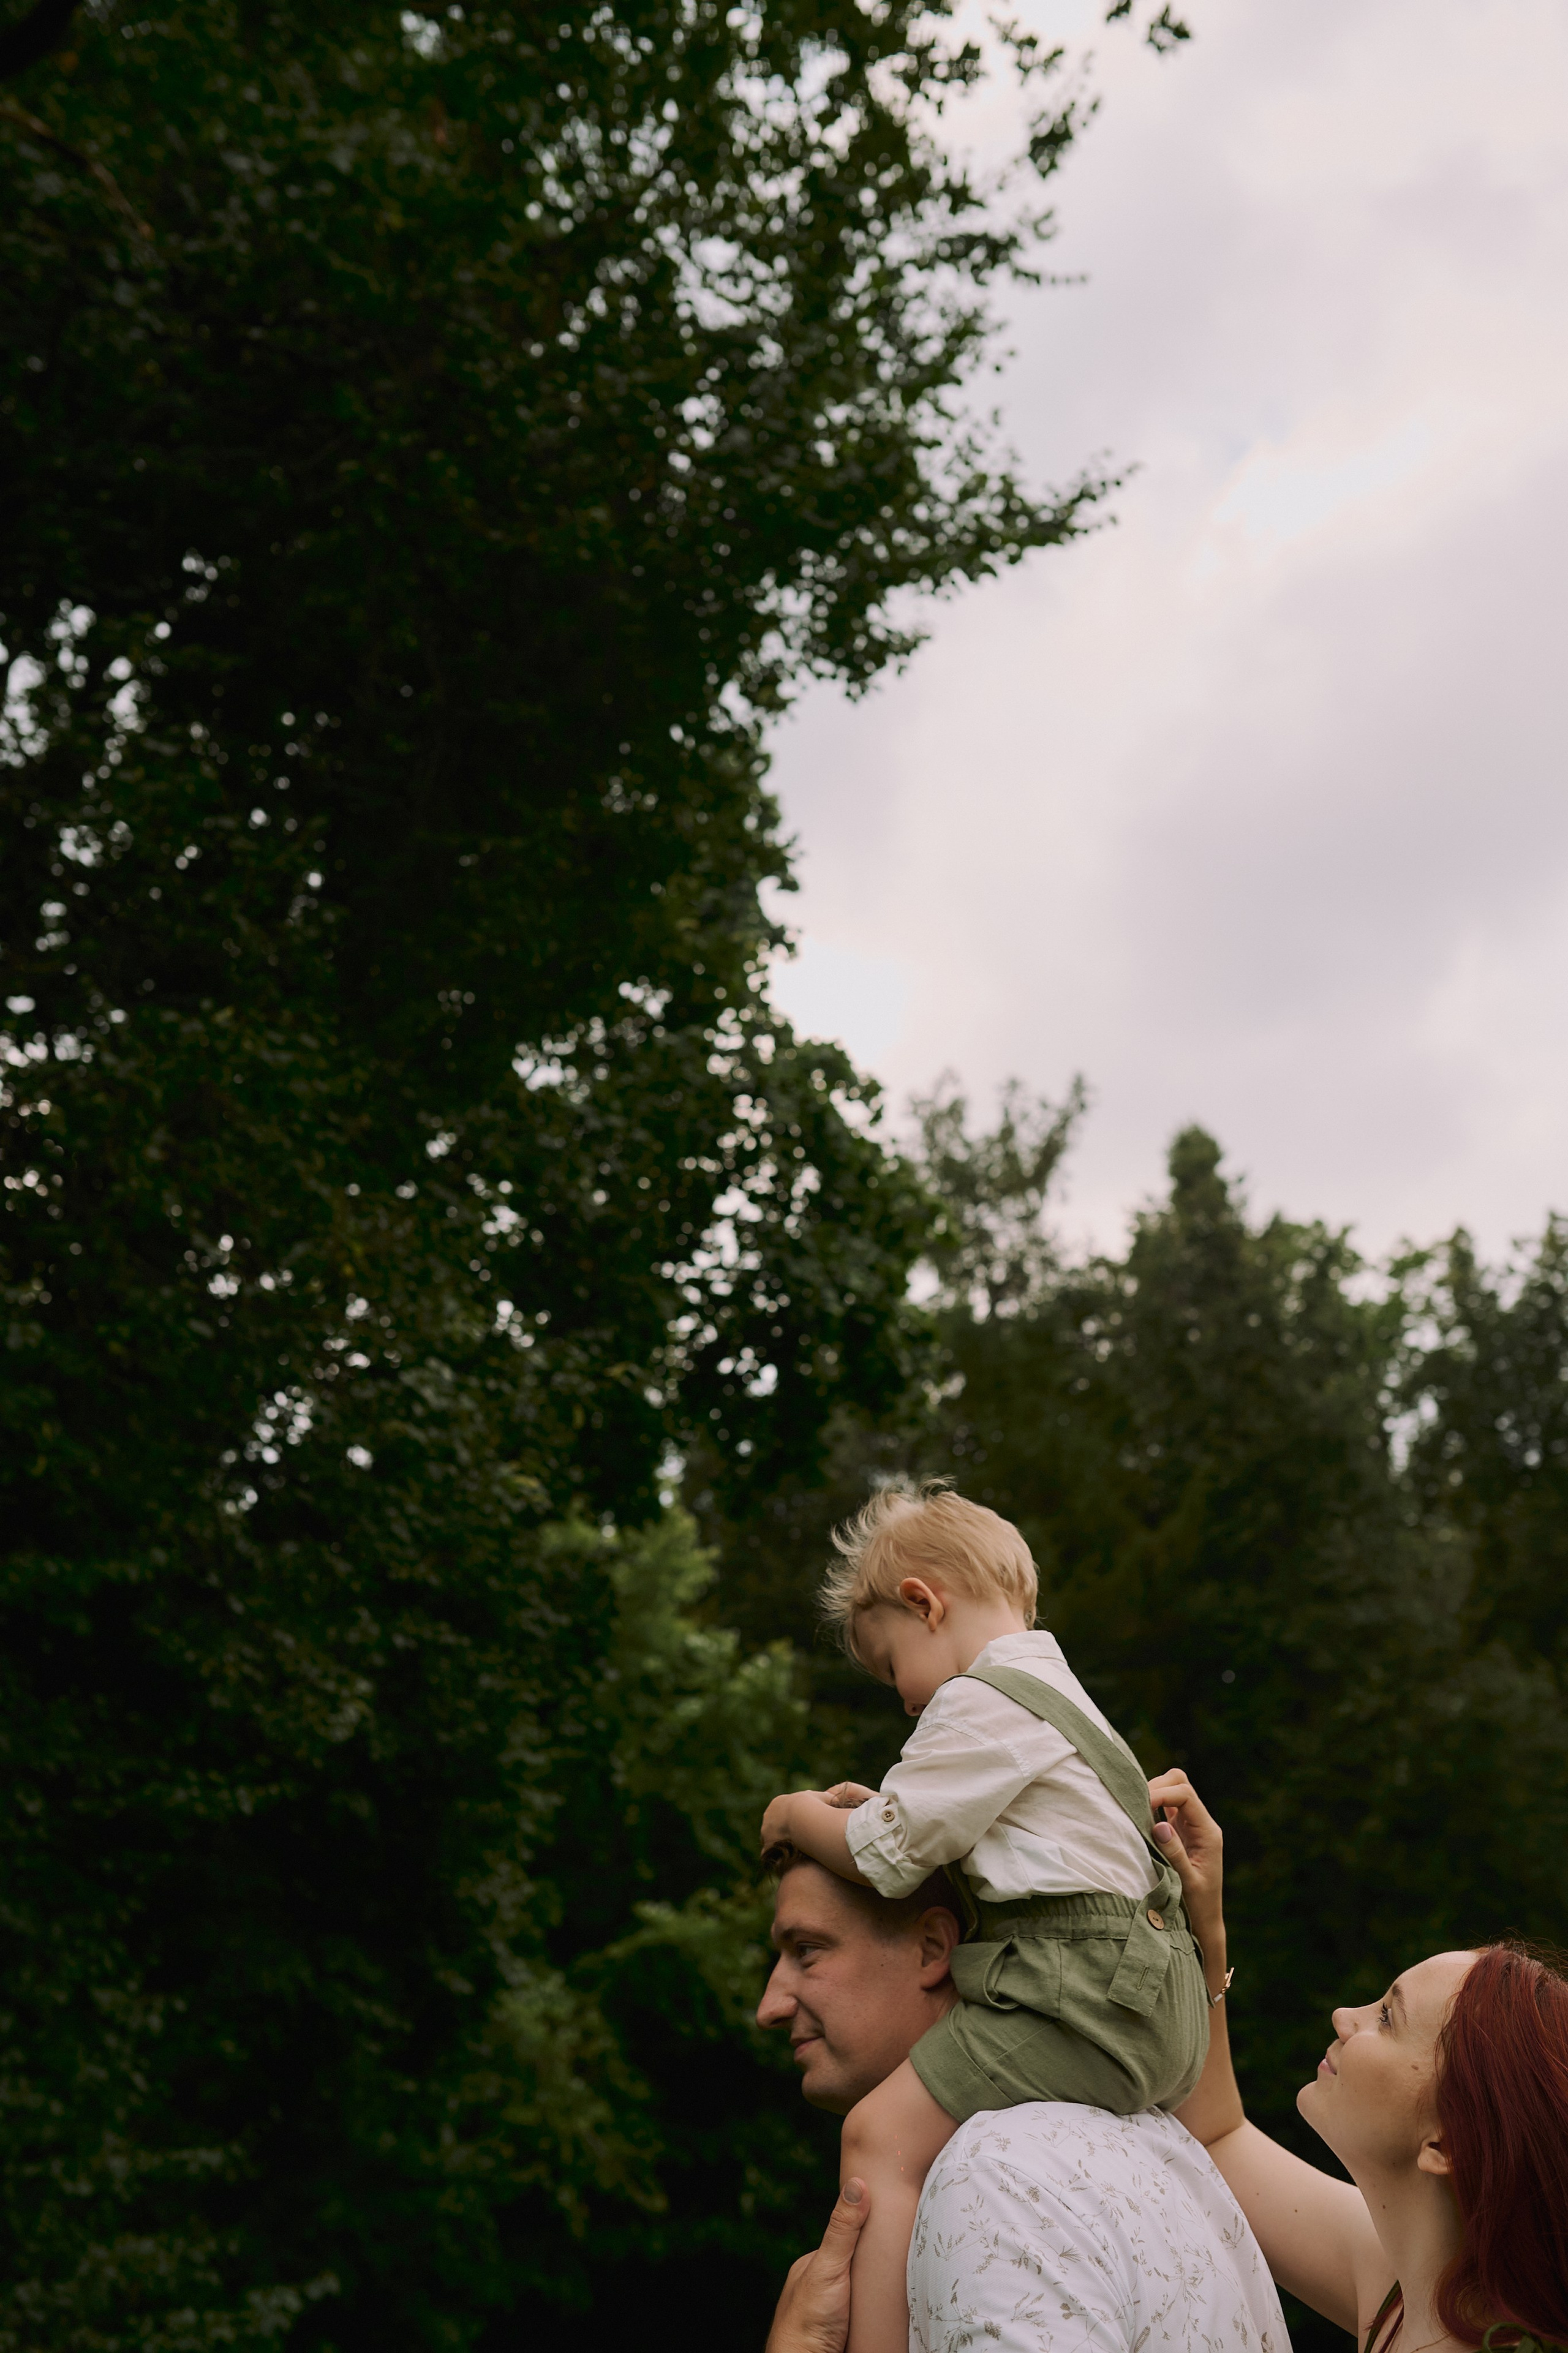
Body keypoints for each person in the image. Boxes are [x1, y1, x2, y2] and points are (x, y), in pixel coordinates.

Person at [760, 1483, 1210, 2353]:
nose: (905, 1702)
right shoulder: (1071, 1706)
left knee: (880, 2137)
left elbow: (889, 1856)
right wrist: (875, 1810)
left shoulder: (977, 1700)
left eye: (894, 1669)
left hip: (1078, 1990)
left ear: (925, 1603)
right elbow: (957, 1837)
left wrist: (790, 1813)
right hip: (1160, 1999)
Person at [758, 1838, 1286, 2353]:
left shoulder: (993, 2176)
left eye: (806, 1951)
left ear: (934, 1948)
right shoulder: (1171, 2148)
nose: (769, 2007)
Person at [1152, 1770, 1568, 2353]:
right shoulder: (1413, 2292)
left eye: (1388, 2018)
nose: (1344, 2016)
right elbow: (1218, 2137)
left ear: (1444, 2146)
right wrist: (1205, 1921)